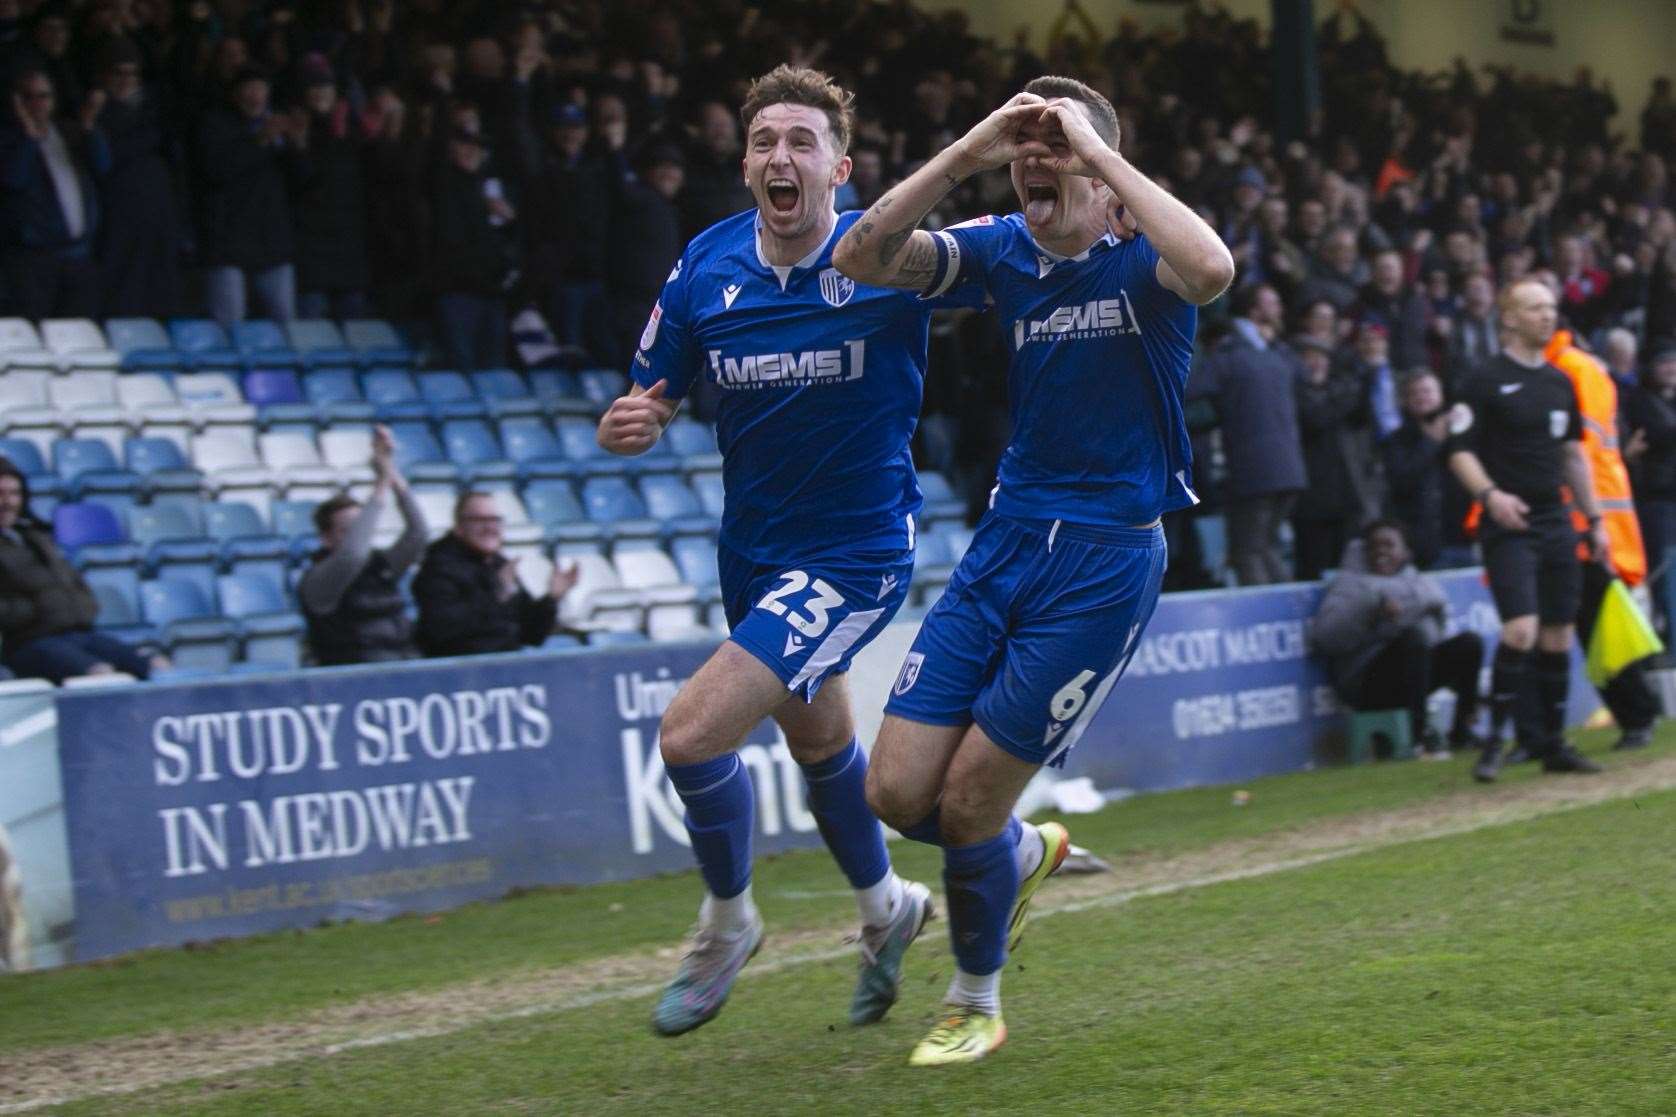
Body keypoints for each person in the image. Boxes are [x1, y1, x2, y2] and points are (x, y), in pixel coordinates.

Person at [833, 77, 1232, 1064]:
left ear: (1108, 184)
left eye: (1057, 153)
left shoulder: (1147, 261)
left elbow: (1214, 267)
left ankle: (975, 1000)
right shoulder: (999, 247)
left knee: (967, 797)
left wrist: (1092, 148)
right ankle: (1019, 853)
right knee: (891, 792)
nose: (1034, 162)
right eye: (1027, 151)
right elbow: (858, 255)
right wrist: (966, 153)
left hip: (1104, 560)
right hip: (1006, 541)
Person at [599, 65, 964, 1039]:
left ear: (839, 168)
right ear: (746, 162)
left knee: (687, 736)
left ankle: (727, 921)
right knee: (815, 744)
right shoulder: (706, 265)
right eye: (765, 142)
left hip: (852, 553)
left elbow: (1001, 267)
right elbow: (653, 389)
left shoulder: (886, 260)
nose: (780, 157)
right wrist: (634, 418)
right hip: (753, 550)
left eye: (802, 142)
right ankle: (889, 908)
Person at [1445, 279, 1605, 781]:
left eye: (1552, 308)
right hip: (1509, 523)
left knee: (1558, 634)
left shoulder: (1560, 382)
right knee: (1521, 629)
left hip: (1556, 520)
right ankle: (1494, 742)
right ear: (1509, 317)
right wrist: (1490, 496)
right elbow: (1459, 450)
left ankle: (1553, 744)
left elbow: (1572, 455)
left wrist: (1595, 520)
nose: (1547, 315)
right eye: (1536, 307)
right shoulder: (1483, 380)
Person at [1541, 324, 1662, 752]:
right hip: (1578, 517)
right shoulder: (1568, 366)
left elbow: (1581, 450)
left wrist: (1591, 523)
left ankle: (1637, 712)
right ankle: (1635, 713)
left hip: (1584, 520)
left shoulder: (1571, 369)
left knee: (1597, 624)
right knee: (1589, 624)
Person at [1310, 519, 1485, 758]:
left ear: (1405, 553)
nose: (1380, 551)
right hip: (1364, 681)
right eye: (1374, 546)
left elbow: (1435, 633)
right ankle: (1417, 737)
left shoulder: (1418, 583)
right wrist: (1370, 614)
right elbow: (1325, 639)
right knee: (1412, 639)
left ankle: (1462, 731)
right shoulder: (1349, 585)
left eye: (1389, 545)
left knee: (1469, 643)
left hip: (1413, 674)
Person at [0, 458, 161, 683]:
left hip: (77, 634)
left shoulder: (37, 537)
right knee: (100, 676)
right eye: (1, 494)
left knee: (154, 666)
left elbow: (73, 582)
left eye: (14, 493)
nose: (8, 502)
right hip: (27, 643)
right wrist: (29, 612)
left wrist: (83, 606)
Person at [1194, 283, 1307, 585]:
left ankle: (1270, 621)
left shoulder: (1231, 353)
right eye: (1273, 302)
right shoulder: (1277, 353)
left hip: (1253, 471)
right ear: (1255, 310)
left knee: (1248, 551)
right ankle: (1284, 618)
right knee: (1267, 547)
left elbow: (1191, 390)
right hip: (1290, 469)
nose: (1280, 308)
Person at [297, 427, 425, 667]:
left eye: (362, 526)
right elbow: (352, 555)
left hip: (403, 665)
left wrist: (391, 471)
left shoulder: (380, 567)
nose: (361, 534)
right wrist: (381, 483)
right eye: (349, 529)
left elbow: (418, 535)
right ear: (326, 538)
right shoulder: (318, 579)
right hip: (354, 677)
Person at [411, 492, 575, 658]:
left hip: (506, 666)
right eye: (480, 520)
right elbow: (443, 630)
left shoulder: (499, 565)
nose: (490, 528)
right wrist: (497, 595)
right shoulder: (437, 568)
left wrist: (552, 599)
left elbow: (531, 635)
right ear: (459, 527)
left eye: (495, 520)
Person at [194, 65, 296, 326]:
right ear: (235, 93)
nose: (256, 96)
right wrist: (259, 141)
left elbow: (303, 180)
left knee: (285, 324)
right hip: (227, 242)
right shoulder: (214, 124)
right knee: (229, 324)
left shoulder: (279, 130)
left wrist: (299, 143)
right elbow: (217, 170)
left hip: (272, 242)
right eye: (250, 88)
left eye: (261, 89)